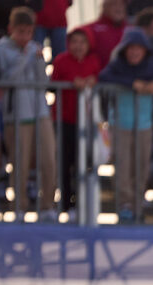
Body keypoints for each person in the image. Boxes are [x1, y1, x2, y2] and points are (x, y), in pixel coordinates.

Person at [98, 27, 153, 223]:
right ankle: (124, 205)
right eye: (131, 48)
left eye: (139, 48)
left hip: (144, 126)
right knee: (123, 166)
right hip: (120, 125)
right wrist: (133, 83)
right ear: (124, 50)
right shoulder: (117, 66)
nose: (135, 52)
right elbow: (104, 78)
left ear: (145, 50)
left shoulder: (151, 68)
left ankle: (136, 206)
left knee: (141, 167)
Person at [0, 7, 58, 221]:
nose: (25, 37)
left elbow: (43, 83)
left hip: (40, 111)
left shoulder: (36, 48)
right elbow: (5, 80)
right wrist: (24, 57)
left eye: (29, 32)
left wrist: (40, 61)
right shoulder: (0, 49)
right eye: (21, 32)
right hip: (16, 114)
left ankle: (48, 205)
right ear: (11, 29)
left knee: (49, 159)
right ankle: (19, 207)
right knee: (19, 162)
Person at [50, 26, 101, 215]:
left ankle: (81, 204)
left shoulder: (94, 61)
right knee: (64, 162)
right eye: (74, 42)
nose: (78, 46)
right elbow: (52, 85)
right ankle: (64, 204)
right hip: (64, 120)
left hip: (86, 122)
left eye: (82, 42)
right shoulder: (61, 60)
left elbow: (99, 78)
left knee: (83, 164)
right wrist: (73, 80)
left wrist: (92, 81)